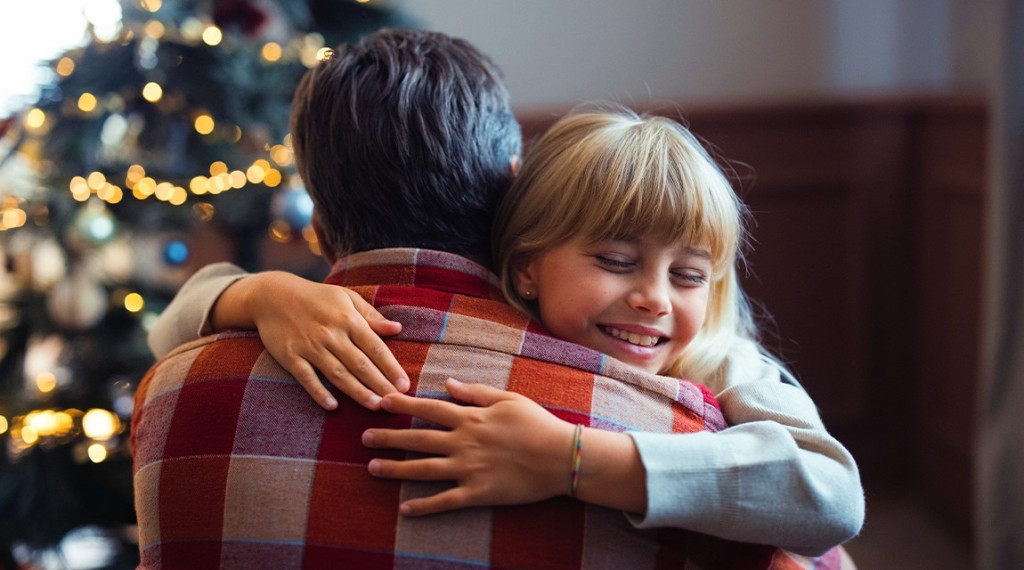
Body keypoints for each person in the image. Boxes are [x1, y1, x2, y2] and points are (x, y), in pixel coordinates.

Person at [146, 99, 863, 568]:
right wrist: (263, 292)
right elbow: (169, 327)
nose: (651, 298)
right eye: (615, 262)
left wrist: (571, 459)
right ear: (522, 270)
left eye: (688, 276)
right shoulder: (494, 328)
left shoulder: (725, 362)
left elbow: (835, 500)